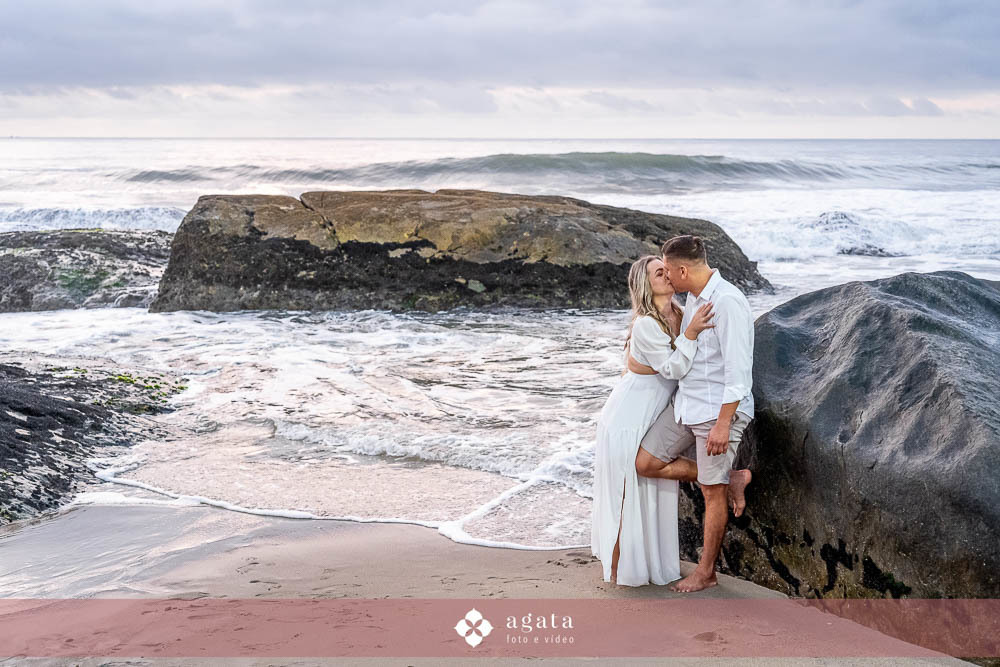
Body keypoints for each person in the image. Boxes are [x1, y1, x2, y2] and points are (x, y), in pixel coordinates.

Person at [634, 235, 755, 593]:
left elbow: (738, 374)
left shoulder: (727, 302)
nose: (667, 277)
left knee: (711, 493)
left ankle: (706, 572)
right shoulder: (693, 299)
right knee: (646, 462)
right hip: (686, 405)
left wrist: (723, 425)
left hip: (717, 412)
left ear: (683, 271)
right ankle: (732, 477)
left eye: (668, 271)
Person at [590, 255, 716, 586]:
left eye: (667, 269)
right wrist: (691, 333)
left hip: (654, 415)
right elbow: (674, 368)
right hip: (627, 418)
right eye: (659, 272)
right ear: (646, 285)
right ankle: (619, 572)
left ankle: (649, 565)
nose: (667, 274)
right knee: (625, 495)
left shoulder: (681, 313)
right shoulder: (647, 324)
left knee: (652, 493)